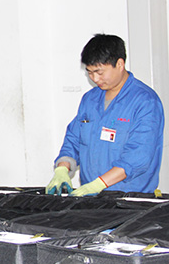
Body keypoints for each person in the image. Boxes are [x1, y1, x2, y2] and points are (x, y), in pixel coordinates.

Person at [46, 34, 164, 196]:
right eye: (89, 72)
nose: (95, 78)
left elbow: (138, 156)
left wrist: (99, 184)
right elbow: (74, 140)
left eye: (99, 72)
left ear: (120, 64)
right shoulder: (90, 99)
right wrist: (62, 169)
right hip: (91, 196)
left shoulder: (145, 101)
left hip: (129, 198)